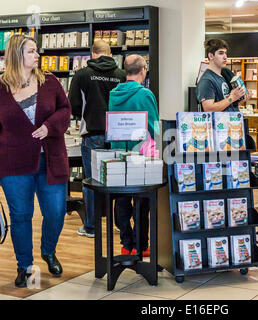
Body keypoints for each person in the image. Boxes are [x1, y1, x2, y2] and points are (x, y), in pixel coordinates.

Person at [0, 34, 71, 287]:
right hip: (12, 163)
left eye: (36, 51)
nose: (37, 55)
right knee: (21, 215)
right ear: (16, 55)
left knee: (56, 212)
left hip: (50, 160)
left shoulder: (50, 82)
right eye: (32, 51)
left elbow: (65, 110)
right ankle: (25, 267)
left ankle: (48, 250)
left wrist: (49, 126)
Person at [69, 40, 126, 238]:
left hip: (92, 133)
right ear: (110, 54)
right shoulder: (121, 75)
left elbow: (74, 105)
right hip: (118, 133)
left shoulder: (82, 74)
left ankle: (91, 227)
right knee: (119, 179)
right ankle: (121, 223)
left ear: (92, 54)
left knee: (92, 181)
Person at [108, 54, 160, 256]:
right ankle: (141, 244)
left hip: (118, 154)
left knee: (121, 200)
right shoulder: (145, 95)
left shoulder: (114, 93)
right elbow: (154, 127)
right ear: (143, 70)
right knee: (142, 201)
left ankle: (126, 243)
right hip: (141, 155)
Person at [197, 39, 251, 112]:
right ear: (211, 56)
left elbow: (228, 105)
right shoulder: (207, 80)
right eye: (221, 53)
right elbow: (209, 109)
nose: (225, 57)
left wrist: (241, 98)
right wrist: (232, 98)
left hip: (231, 121)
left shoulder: (224, 76)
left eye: (225, 53)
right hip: (219, 123)